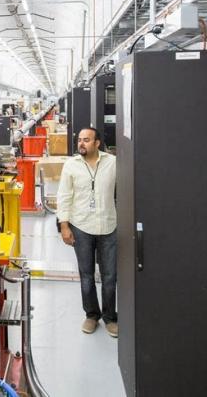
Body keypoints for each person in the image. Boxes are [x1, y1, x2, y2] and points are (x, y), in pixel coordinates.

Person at [56, 127, 118, 337]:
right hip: (81, 226)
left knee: (110, 276)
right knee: (86, 275)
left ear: (97, 143)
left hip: (108, 225)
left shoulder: (112, 163)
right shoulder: (71, 166)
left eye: (87, 140)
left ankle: (110, 317)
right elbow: (63, 196)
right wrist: (64, 226)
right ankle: (92, 315)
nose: (81, 143)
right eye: (80, 140)